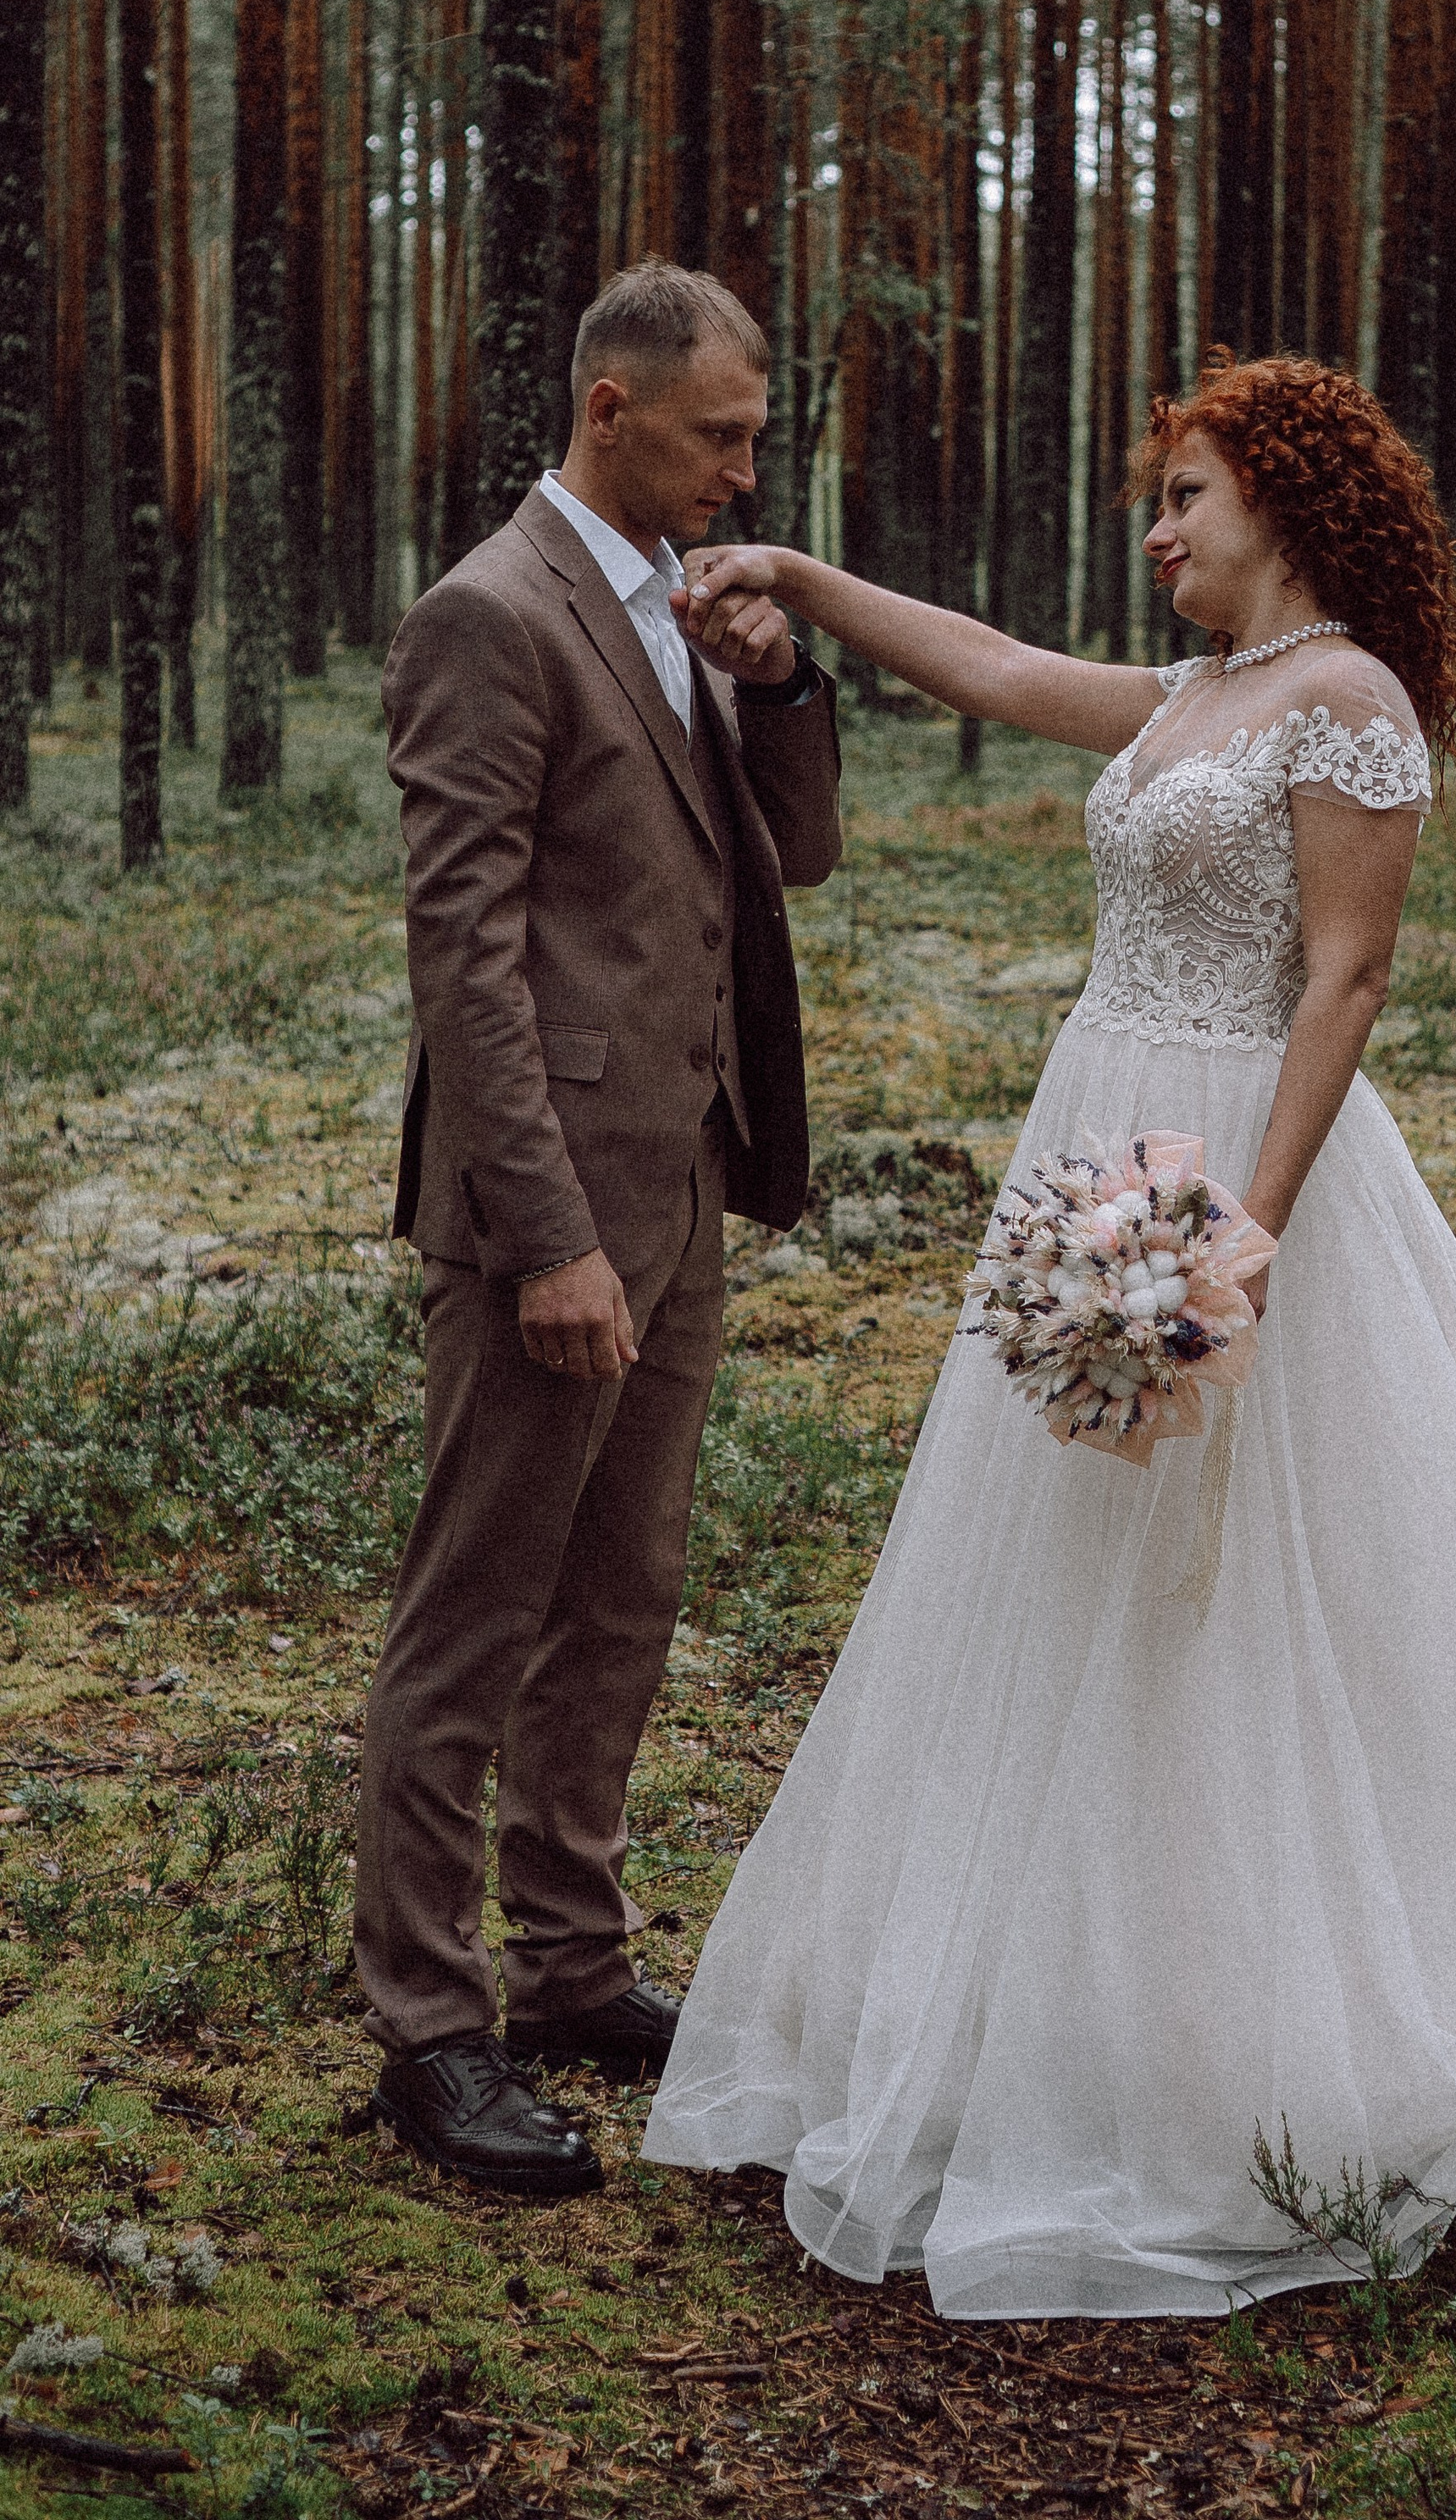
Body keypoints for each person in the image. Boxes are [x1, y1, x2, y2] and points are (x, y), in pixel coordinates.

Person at [645, 352, 1456, 2319]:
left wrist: (1245, 1232)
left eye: (1185, 496)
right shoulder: (1194, 696)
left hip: (1236, 1159)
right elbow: (1004, 675)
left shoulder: (1348, 702)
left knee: (1265, 1562)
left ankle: (1281, 1977)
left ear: (1280, 502)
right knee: (1063, 1542)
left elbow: (1347, 978)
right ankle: (1065, 1954)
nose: (1158, 530)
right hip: (1093, 1121)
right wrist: (808, 577)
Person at [354, 260, 843, 2199]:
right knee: (471, 1614)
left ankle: (567, 1965)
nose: (745, 469)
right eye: (720, 434)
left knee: (624, 1599)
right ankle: (425, 2028)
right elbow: (462, 957)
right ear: (612, 410)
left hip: (684, 1184)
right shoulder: (488, 618)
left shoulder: (676, 608)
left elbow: (785, 854)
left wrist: (779, 679)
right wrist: (546, 1237)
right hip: (543, 1216)